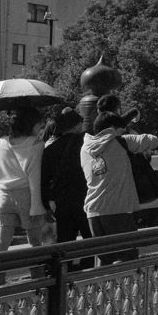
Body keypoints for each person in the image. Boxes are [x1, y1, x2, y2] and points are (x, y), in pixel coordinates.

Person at [80, 105, 158, 262]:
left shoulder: (85, 147)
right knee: (127, 258)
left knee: (105, 261)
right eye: (121, 130)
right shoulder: (122, 141)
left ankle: (102, 286)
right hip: (118, 211)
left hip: (93, 212)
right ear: (113, 130)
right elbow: (154, 141)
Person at [0, 106, 50, 256]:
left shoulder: (2, 142)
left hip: (4, 196)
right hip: (27, 197)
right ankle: (37, 277)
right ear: (32, 125)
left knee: (2, 244)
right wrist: (37, 207)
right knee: (35, 244)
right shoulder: (36, 145)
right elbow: (35, 178)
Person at [40, 108, 91, 259]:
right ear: (76, 125)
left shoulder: (50, 149)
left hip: (62, 202)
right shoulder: (86, 144)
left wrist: (46, 205)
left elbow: (44, 180)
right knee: (90, 241)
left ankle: (62, 276)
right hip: (85, 198)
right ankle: (88, 274)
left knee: (64, 243)